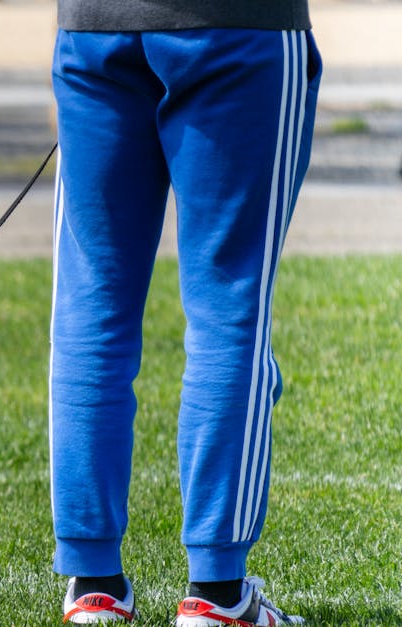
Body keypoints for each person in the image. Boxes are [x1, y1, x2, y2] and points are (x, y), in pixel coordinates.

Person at [48, 1, 321, 625]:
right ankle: (217, 597)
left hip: (96, 28)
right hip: (237, 23)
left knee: (92, 306)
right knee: (231, 306)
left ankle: (94, 589)